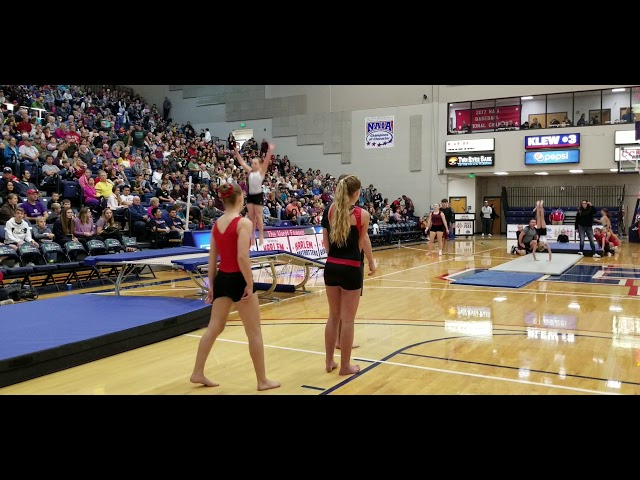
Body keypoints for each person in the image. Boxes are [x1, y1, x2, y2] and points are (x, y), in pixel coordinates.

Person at [190, 183, 280, 391]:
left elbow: (212, 259)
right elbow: (242, 256)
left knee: (214, 328)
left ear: (223, 201)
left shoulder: (216, 225)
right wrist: (249, 283)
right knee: (254, 332)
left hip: (222, 278)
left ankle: (197, 371)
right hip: (238, 279)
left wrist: (212, 286)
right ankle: (262, 380)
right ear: (241, 199)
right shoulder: (244, 223)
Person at [322, 174, 375, 376]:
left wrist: (334, 258)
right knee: (348, 320)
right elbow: (361, 244)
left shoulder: (329, 210)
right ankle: (345, 366)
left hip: (332, 266)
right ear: (357, 193)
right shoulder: (363, 215)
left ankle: (329, 362)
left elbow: (326, 242)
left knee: (333, 317)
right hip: (351, 267)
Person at [233, 143, 272, 245]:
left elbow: (267, 162)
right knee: (251, 217)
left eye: (255, 163)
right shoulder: (250, 171)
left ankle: (261, 236)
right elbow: (241, 162)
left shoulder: (261, 172)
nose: (252, 165)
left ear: (259, 165)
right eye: (252, 163)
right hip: (250, 196)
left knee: (258, 216)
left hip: (258, 195)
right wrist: (237, 152)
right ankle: (252, 235)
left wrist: (270, 152)